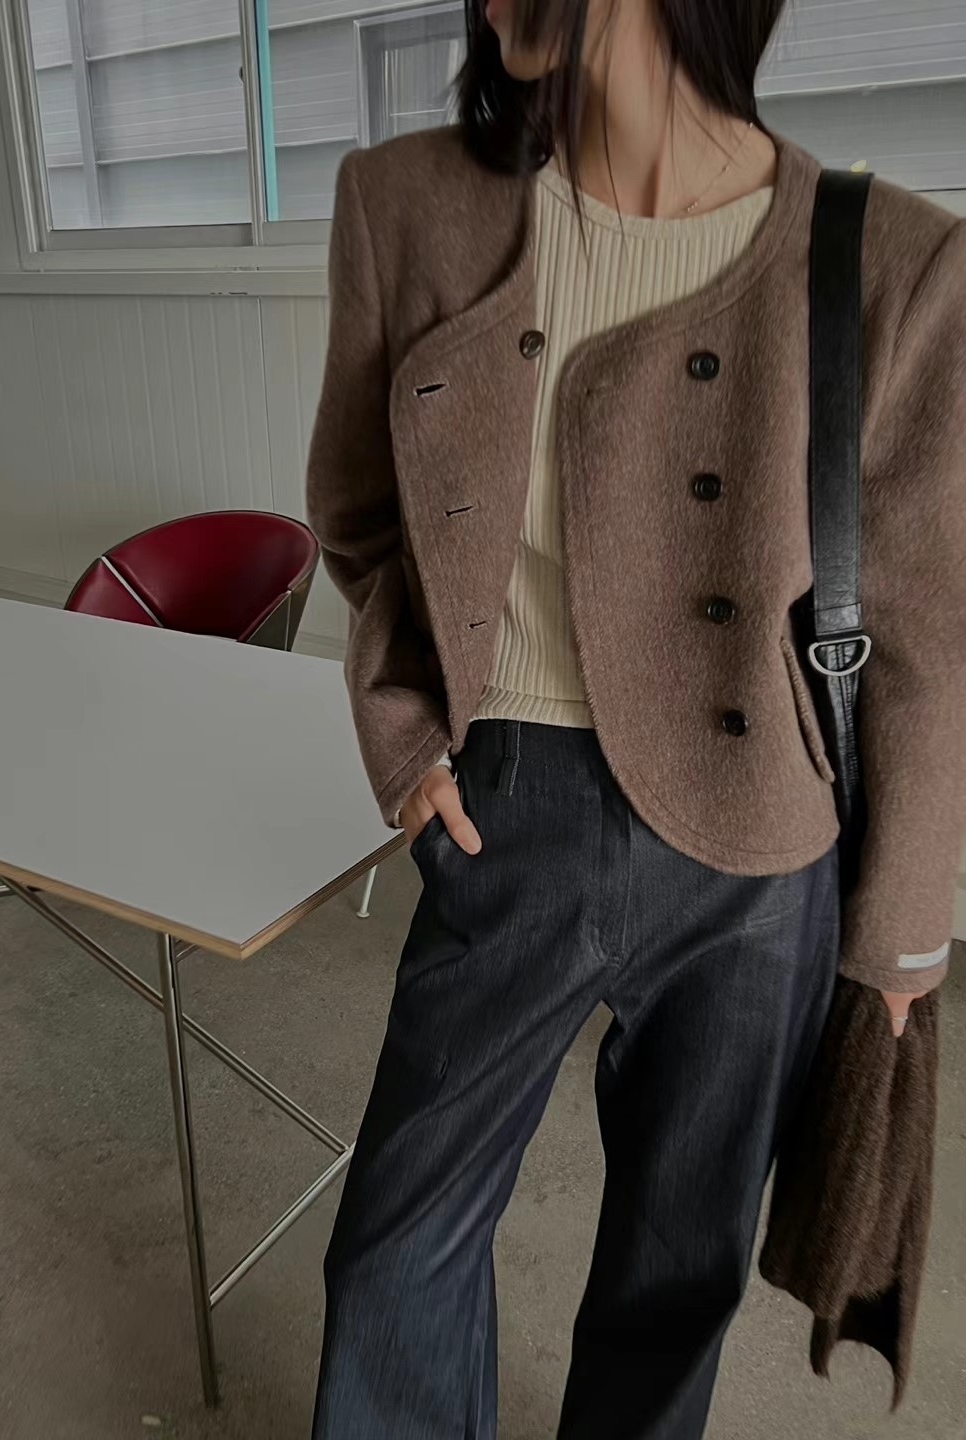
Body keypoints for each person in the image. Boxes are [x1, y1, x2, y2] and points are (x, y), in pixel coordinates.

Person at [305, 0, 966, 1434]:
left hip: (761, 840)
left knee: (680, 1267)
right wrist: (405, 738)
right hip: (506, 807)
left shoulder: (892, 258)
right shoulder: (408, 207)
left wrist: (902, 931)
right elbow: (361, 521)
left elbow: (927, 636)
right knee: (394, 1249)